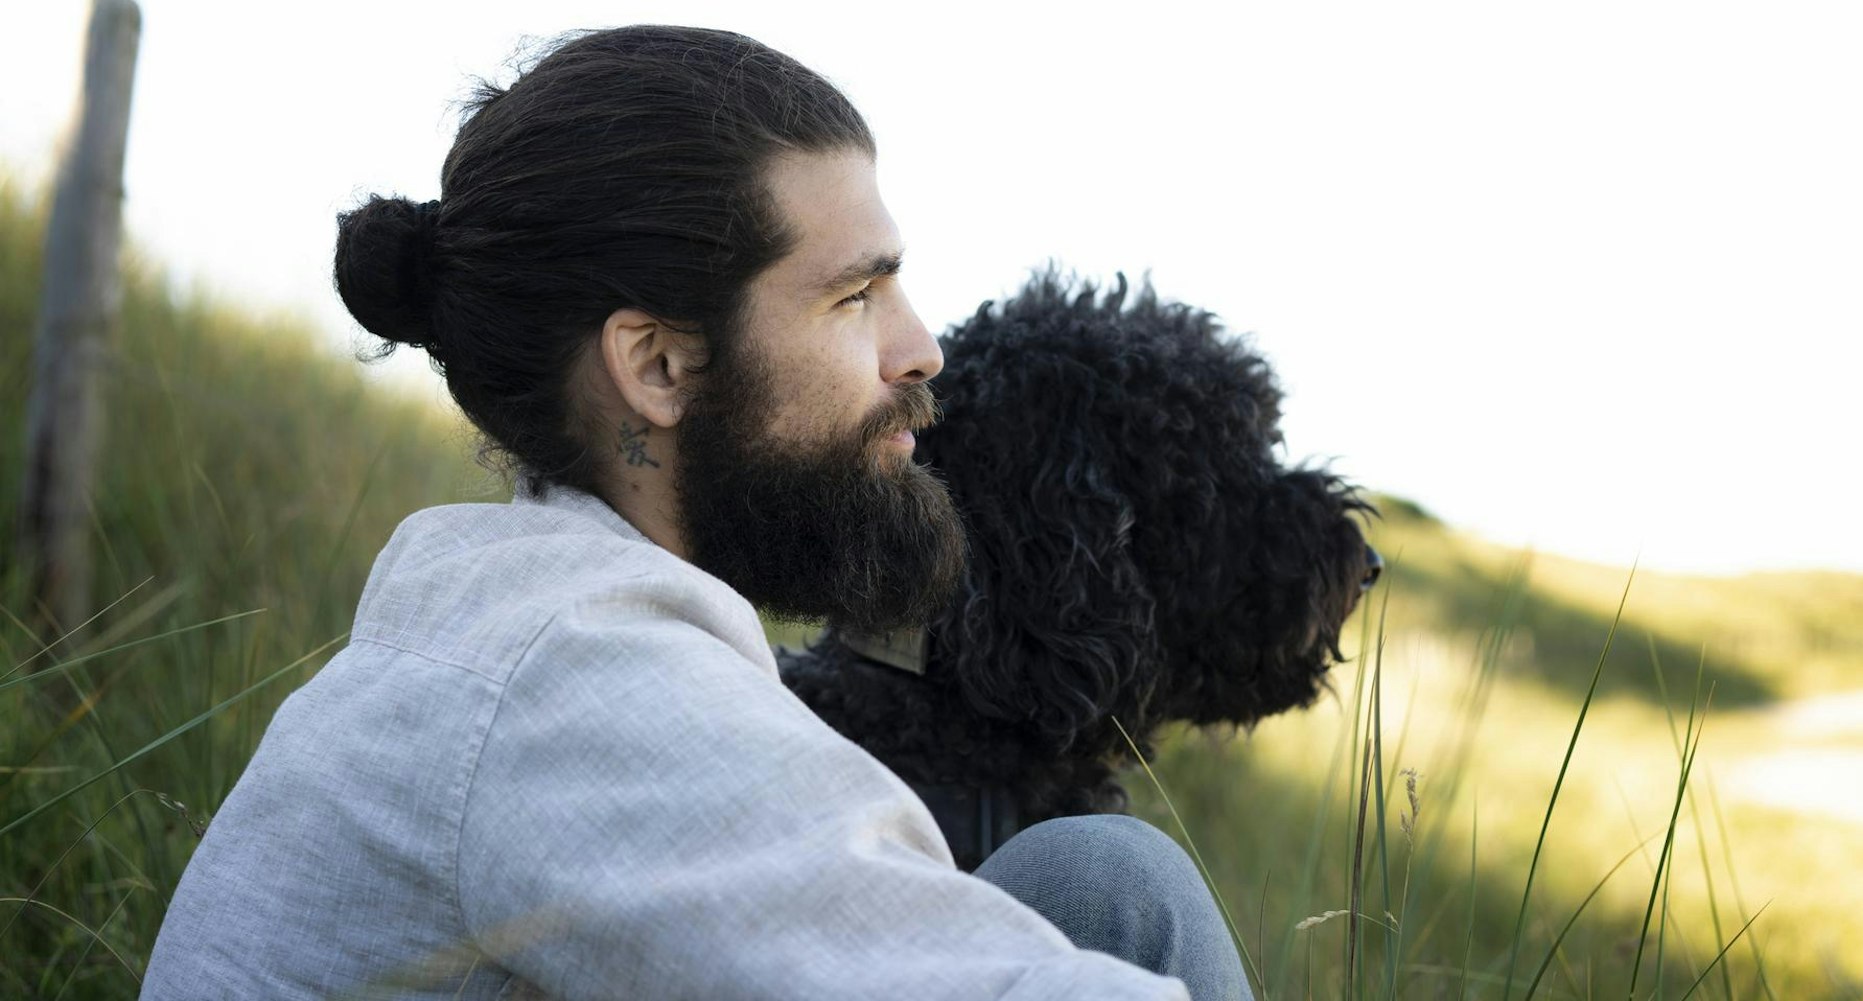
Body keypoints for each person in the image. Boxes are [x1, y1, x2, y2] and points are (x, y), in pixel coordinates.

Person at [138, 25, 1254, 1001]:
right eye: (853, 295)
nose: (920, 349)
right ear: (660, 365)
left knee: (1102, 880)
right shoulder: (583, 685)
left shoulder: (532, 616)